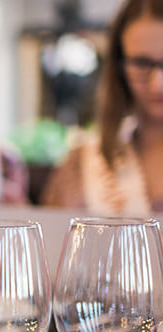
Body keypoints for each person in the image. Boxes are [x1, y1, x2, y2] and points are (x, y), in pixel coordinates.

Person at [41, 0, 163, 213]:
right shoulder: (83, 165)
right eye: (142, 64)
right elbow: (52, 239)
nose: (157, 84)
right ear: (119, 65)